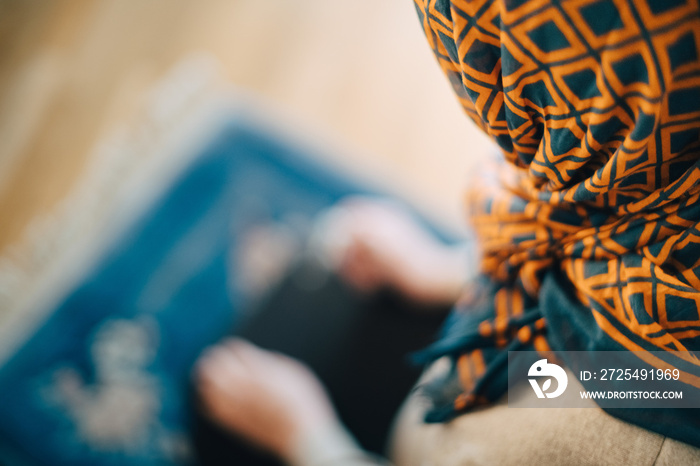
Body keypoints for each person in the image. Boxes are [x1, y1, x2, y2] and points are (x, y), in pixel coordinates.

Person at [196, 0, 700, 464]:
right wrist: (438, 270)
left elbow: (561, 383)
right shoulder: (653, 198)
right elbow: (587, 277)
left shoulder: (642, 420)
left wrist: (306, 437)